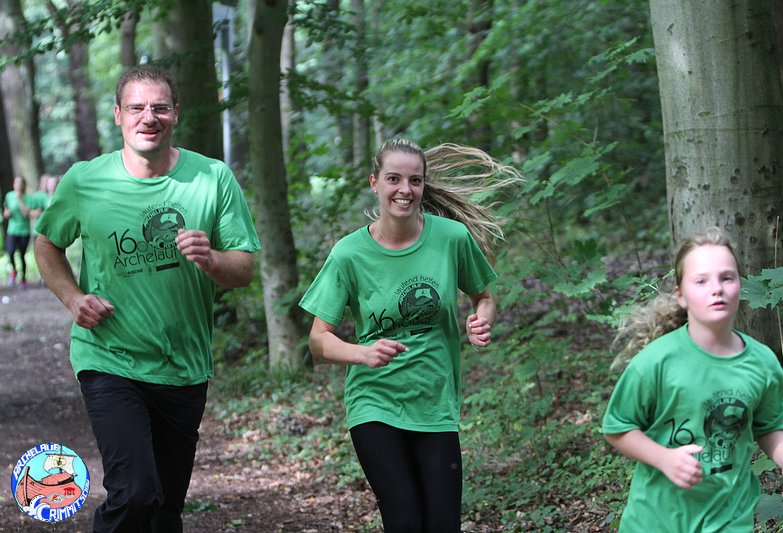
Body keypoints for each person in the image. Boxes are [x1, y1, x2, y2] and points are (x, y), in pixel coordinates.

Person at [34, 64, 261, 532]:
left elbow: (244, 268)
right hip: (109, 357)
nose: (148, 117)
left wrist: (212, 259)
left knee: (165, 509)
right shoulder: (84, 180)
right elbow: (47, 243)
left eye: (159, 107)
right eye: (136, 107)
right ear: (118, 115)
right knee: (135, 492)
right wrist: (73, 299)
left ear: (176, 112)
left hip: (184, 364)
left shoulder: (212, 177)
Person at [299, 138, 520, 532]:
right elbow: (318, 340)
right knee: (403, 520)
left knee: (442, 524)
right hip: (374, 402)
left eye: (414, 180)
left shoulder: (451, 238)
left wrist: (481, 321)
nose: (405, 189)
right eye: (393, 179)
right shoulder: (348, 254)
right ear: (374, 183)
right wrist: (362, 353)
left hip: (435, 401)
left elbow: (483, 297)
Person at [602, 227, 783, 532]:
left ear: (740, 286)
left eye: (727, 277)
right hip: (656, 520)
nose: (716, 288)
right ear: (681, 295)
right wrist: (664, 458)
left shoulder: (762, 363)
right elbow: (617, 427)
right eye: (701, 281)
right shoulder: (656, 362)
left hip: (729, 518)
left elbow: (769, 426)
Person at [3, 176, 34, 289]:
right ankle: (14, 271)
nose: (18, 185)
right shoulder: (9, 196)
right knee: (10, 252)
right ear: (14, 184)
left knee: (22, 254)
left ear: (23, 185)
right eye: (16, 182)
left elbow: (26, 213)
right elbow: (5, 213)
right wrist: (7, 213)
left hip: (24, 230)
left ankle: (23, 279)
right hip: (12, 229)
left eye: (21, 183)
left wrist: (20, 200)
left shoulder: (28, 198)